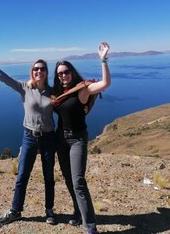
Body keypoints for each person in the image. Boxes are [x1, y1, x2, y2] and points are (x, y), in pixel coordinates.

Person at [0, 46, 57, 225]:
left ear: (46, 72)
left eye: (42, 69)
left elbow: (71, 96)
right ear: (32, 72)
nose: (39, 71)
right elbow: (3, 78)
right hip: (29, 137)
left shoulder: (53, 92)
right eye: (36, 69)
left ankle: (49, 210)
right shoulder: (24, 88)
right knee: (22, 176)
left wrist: (88, 91)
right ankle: (16, 210)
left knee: (49, 177)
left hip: (48, 138)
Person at [52, 42, 111, 234]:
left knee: (78, 181)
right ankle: (78, 212)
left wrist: (103, 60)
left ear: (71, 72)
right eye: (60, 73)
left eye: (66, 72)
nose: (63, 75)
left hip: (77, 139)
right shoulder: (58, 93)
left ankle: (91, 226)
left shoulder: (82, 90)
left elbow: (105, 84)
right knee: (68, 179)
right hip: (60, 139)